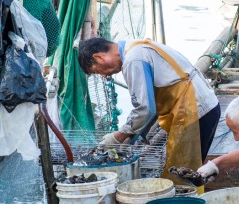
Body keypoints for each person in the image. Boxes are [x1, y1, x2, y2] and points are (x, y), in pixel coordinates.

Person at [78, 37, 221, 174]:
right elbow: (150, 103)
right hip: (203, 106)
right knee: (186, 168)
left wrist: (117, 137)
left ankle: (191, 198)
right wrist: (136, 134)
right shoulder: (135, 46)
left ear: (99, 58)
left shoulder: (133, 60)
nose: (103, 76)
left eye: (98, 71)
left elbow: (144, 109)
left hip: (196, 111)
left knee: (182, 172)